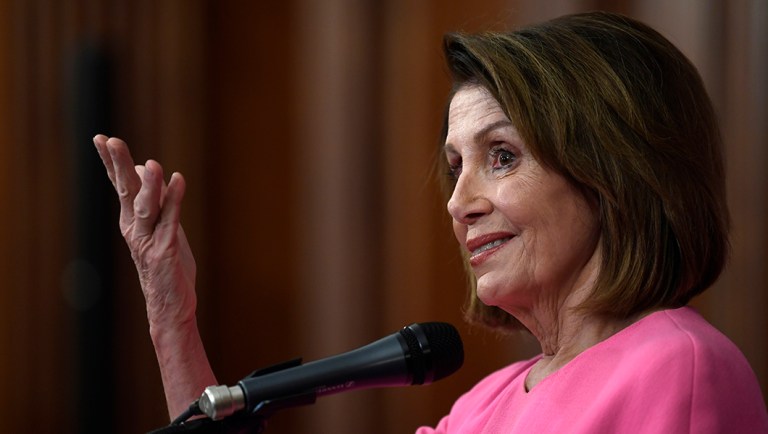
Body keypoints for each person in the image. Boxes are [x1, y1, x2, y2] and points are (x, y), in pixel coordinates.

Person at [94, 11, 768, 433]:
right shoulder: (484, 406)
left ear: (615, 171)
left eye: (501, 156)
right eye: (456, 167)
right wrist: (171, 319)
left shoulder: (676, 366)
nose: (457, 202)